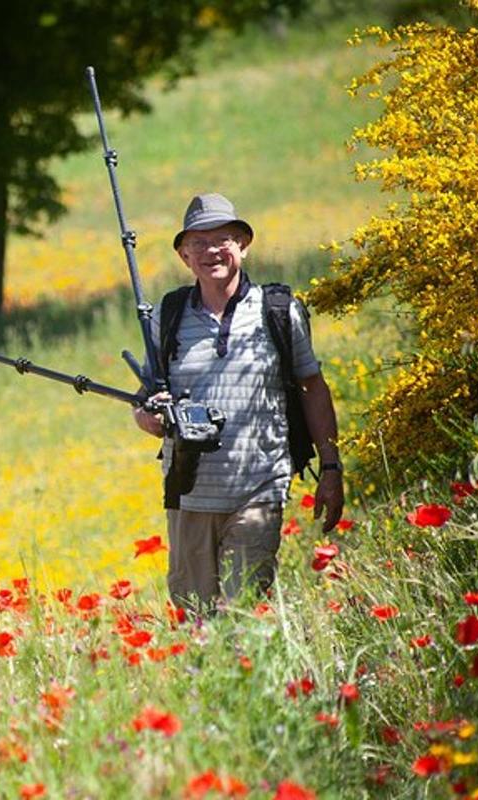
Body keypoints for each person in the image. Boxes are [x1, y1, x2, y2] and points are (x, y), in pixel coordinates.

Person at [131, 192, 344, 612]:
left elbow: (313, 388)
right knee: (197, 623)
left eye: (222, 239)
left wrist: (331, 468)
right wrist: (151, 418)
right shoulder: (167, 316)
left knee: (240, 615)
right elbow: (142, 404)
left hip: (258, 489)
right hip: (189, 494)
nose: (211, 250)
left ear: (243, 245)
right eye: (198, 243)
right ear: (184, 255)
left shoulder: (278, 311)